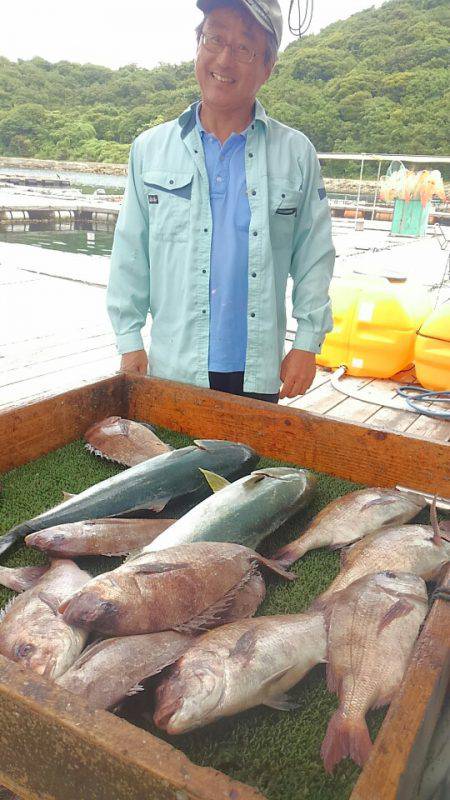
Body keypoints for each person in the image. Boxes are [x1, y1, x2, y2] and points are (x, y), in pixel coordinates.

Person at [107, 0, 335, 403]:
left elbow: (314, 256)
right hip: (174, 368)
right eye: (215, 38)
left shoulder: (296, 153)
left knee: (250, 466)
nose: (225, 58)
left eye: (245, 47)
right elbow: (130, 254)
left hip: (257, 371)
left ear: (267, 67)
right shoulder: (149, 150)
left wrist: (307, 342)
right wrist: (129, 340)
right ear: (198, 45)